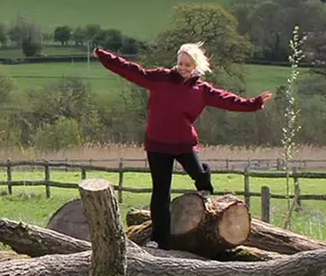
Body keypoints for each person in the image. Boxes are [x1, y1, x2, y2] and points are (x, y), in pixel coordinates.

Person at [93, 42, 274, 249]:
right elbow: (131, 71)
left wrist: (254, 103)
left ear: (195, 66)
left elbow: (228, 100)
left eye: (188, 65)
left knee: (198, 174)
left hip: (184, 143)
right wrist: (104, 56)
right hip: (157, 145)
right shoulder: (160, 78)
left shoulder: (201, 90)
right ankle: (161, 241)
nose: (183, 68)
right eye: (180, 63)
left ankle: (206, 192)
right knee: (161, 193)